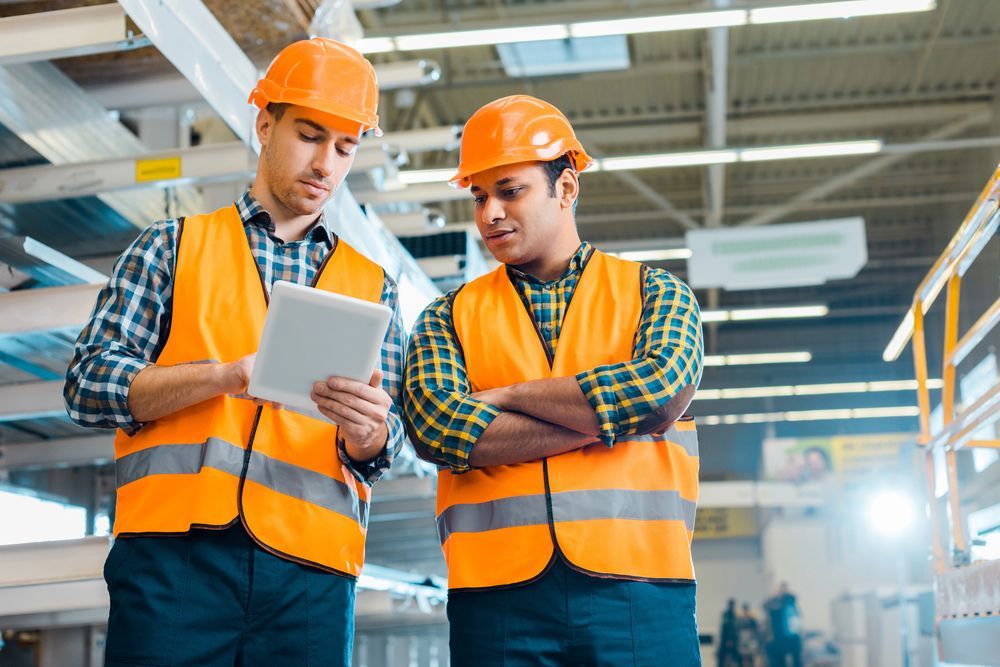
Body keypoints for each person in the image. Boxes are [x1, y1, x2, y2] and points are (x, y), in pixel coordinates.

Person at [64, 38, 405, 666]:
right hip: (174, 560)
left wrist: (370, 433)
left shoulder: (373, 285)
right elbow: (88, 383)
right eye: (309, 135)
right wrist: (223, 376)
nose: (325, 164)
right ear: (265, 124)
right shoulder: (171, 247)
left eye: (345, 147)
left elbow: (389, 447)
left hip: (311, 575)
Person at [403, 95, 704, 666]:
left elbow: (658, 392)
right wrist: (610, 421)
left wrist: (510, 396)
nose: (490, 213)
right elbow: (439, 429)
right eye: (479, 196)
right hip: (495, 599)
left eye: (509, 191)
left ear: (566, 187)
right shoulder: (445, 317)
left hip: (640, 589)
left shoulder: (656, 293)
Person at [764, 583, 804, 667]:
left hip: (781, 639)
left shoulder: (777, 606)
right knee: (794, 659)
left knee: (781, 660)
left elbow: (766, 606)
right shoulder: (790, 605)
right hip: (789, 638)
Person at [737, 602, 762, 667]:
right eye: (744, 609)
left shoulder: (752, 619)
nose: (745, 611)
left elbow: (756, 628)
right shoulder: (740, 620)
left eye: (746, 609)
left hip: (750, 639)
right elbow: (737, 629)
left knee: (751, 655)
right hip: (743, 639)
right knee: (744, 656)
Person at [718, 599, 740, 667]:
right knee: (722, 657)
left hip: (731, 639)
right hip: (727, 639)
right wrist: (729, 639)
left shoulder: (734, 615)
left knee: (736, 657)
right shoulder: (727, 615)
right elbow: (726, 628)